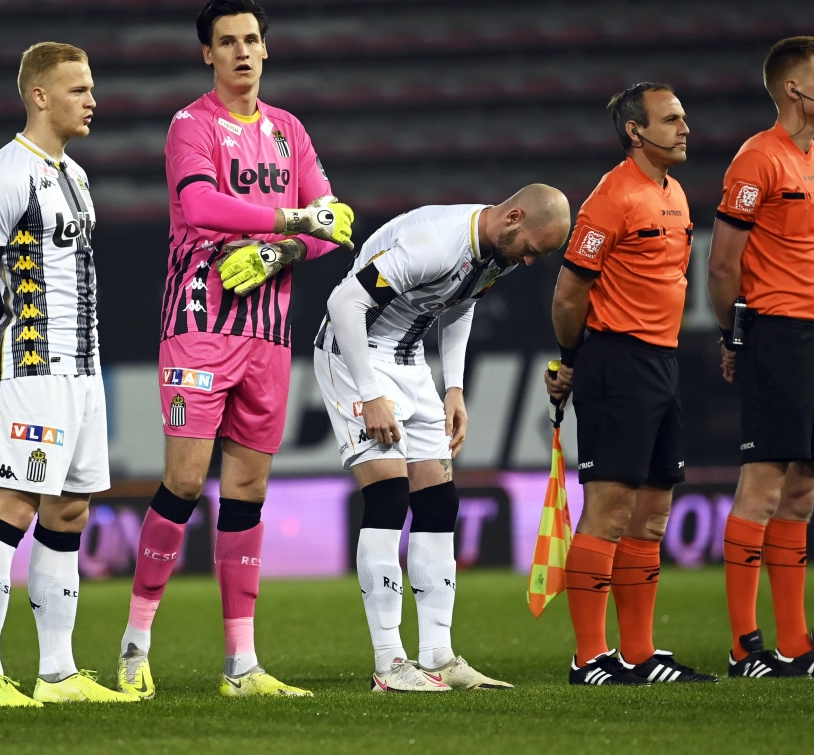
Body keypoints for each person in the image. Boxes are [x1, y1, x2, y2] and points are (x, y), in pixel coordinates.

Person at [115, 0, 354, 700]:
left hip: (269, 333)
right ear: (207, 54)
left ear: (266, 47)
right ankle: (134, 645)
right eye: (228, 42)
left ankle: (240, 665)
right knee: (186, 481)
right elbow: (199, 206)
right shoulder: (191, 125)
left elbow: (332, 220)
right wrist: (290, 218)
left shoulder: (289, 130)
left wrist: (280, 252)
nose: (243, 51)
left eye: (251, 39)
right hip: (199, 324)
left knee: (247, 489)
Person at [318, 186, 568, 692]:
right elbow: (343, 301)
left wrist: (454, 386)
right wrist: (370, 393)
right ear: (514, 216)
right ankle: (389, 665)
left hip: (409, 359)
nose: (530, 260)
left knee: (437, 502)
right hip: (356, 353)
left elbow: (461, 303)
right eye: (532, 248)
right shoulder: (435, 242)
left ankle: (437, 655)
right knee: (388, 496)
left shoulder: (500, 251)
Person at [0, 41, 135, 706]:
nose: (93, 100)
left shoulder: (74, 175)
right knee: (12, 506)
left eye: (91, 88)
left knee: (71, 508)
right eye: (79, 89)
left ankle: (56, 673)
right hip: (32, 368)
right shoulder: (7, 173)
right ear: (39, 96)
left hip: (81, 373)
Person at [546, 83, 716, 685]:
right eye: (671, 120)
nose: (685, 127)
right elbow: (569, 294)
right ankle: (589, 658)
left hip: (663, 363)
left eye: (684, 117)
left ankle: (640, 655)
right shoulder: (610, 199)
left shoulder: (674, 194)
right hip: (616, 361)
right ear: (635, 132)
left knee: (652, 513)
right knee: (611, 509)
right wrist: (572, 357)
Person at [707, 36, 814, 678]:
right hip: (777, 331)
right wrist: (734, 335)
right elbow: (723, 264)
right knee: (766, 482)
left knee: (802, 487)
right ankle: (745, 644)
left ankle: (796, 642)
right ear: (797, 88)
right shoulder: (758, 158)